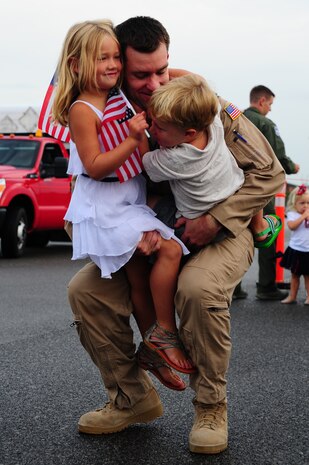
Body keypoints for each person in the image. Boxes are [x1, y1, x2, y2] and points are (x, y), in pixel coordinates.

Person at [67, 16, 285, 454]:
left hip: (222, 229)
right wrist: (132, 229)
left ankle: (211, 407)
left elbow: (269, 173)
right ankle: (132, 398)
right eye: (141, 75)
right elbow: (91, 185)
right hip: (154, 235)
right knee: (84, 292)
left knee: (197, 288)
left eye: (162, 70)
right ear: (117, 70)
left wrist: (217, 219)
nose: (155, 82)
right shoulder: (108, 113)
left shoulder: (200, 103)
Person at [52, 19, 195, 379]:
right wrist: (132, 140)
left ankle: (154, 350)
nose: (113, 65)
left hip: (129, 199)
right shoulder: (83, 109)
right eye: (102, 58)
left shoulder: (116, 95)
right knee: (170, 250)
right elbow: (96, 167)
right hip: (108, 206)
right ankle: (165, 333)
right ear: (75, 64)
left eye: (116, 57)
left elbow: (143, 152)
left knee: (138, 280)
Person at [142, 74, 282, 251]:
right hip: (233, 197)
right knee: (249, 169)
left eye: (159, 127)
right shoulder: (212, 122)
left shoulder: (177, 159)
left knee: (144, 202)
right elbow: (201, 85)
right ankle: (261, 227)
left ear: (189, 133)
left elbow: (145, 162)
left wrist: (136, 135)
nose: (151, 128)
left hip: (196, 226)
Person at [243, 85, 300, 301]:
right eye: (270, 104)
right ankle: (266, 286)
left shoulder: (236, 118)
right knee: (267, 230)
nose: (270, 109)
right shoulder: (266, 123)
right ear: (262, 101)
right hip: (260, 187)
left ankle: (235, 289)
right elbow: (278, 156)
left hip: (235, 187)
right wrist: (292, 167)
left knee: (235, 234)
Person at [280, 184, 309, 305]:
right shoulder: (293, 214)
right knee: (295, 276)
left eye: (308, 203)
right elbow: (292, 226)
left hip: (308, 251)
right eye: (302, 203)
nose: (306, 206)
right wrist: (303, 217)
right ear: (294, 204)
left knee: (308, 276)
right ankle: (292, 296)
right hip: (296, 250)